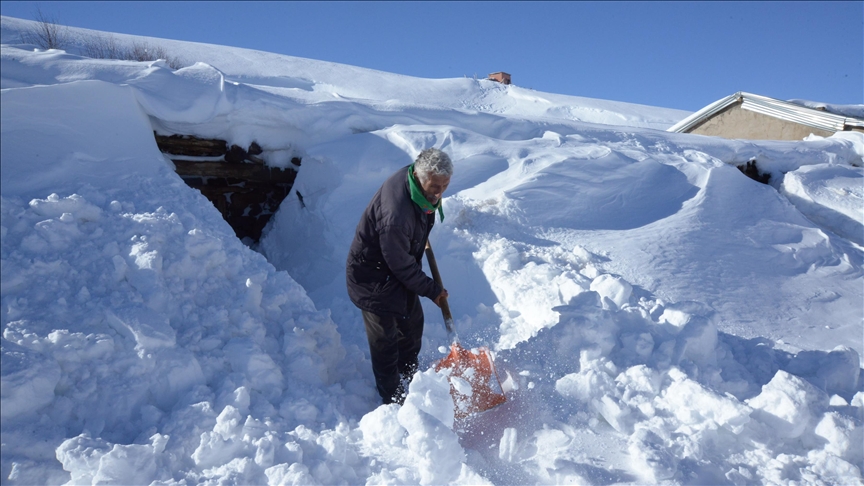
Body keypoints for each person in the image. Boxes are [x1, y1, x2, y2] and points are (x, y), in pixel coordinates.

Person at [346, 148, 453, 405]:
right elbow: (400, 265)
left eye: (445, 185)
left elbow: (402, 260)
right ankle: (393, 399)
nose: (439, 193)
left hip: (395, 271)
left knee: (413, 325)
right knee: (385, 342)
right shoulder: (396, 215)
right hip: (373, 278)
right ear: (418, 177)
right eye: (434, 186)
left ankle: (410, 377)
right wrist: (431, 289)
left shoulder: (414, 182)